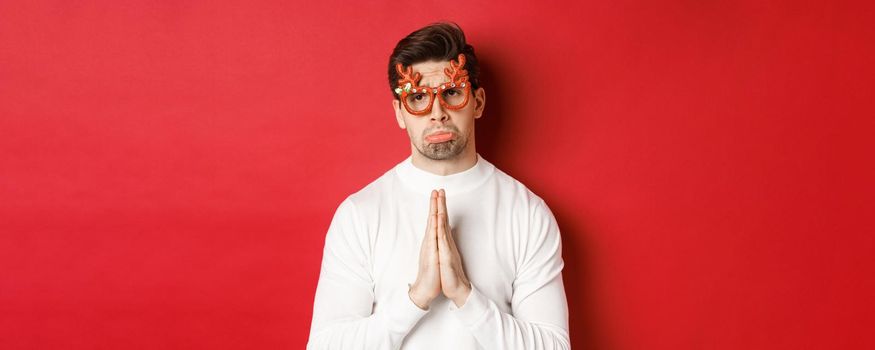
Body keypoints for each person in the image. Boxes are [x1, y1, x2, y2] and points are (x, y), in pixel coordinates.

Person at [307, 22, 570, 349]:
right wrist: (416, 298)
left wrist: (464, 293)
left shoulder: (527, 213)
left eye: (452, 93)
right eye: (417, 97)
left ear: (478, 102)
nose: (437, 112)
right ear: (400, 113)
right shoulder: (359, 214)